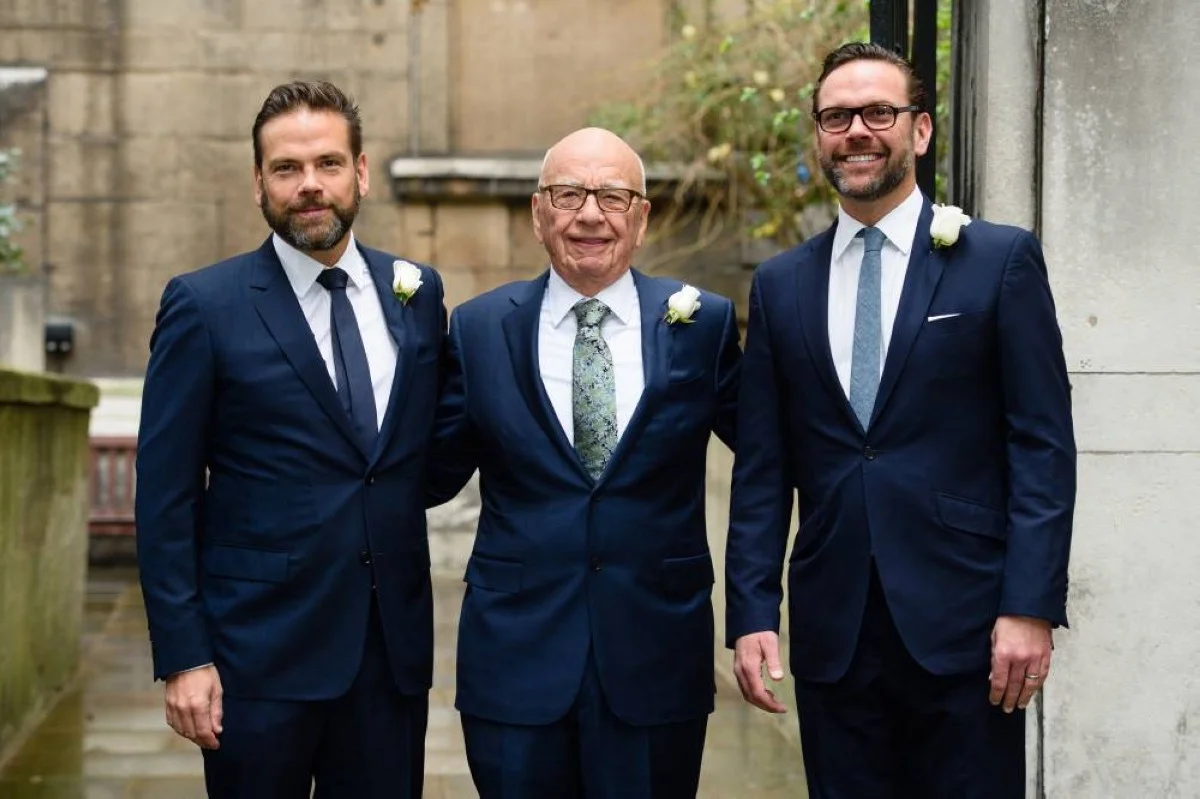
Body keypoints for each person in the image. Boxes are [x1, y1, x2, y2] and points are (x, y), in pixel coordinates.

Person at [725, 42, 1076, 797]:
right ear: (818, 134)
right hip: (834, 631)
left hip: (969, 625)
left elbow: (1042, 444)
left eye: (878, 112)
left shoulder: (998, 260)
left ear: (918, 131)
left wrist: (1029, 605)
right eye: (837, 116)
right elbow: (762, 468)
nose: (857, 130)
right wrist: (752, 611)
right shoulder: (782, 285)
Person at [135, 81, 445, 799]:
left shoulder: (417, 293)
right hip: (255, 660)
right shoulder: (203, 305)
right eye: (287, 168)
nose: (311, 185)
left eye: (329, 163)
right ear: (259, 182)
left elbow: (419, 453)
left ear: (361, 173)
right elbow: (167, 495)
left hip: (387, 656)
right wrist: (184, 656)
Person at [428, 127, 741, 797]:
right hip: (515, 664)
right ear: (539, 213)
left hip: (657, 658)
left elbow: (774, 457)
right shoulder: (478, 328)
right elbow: (423, 471)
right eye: (569, 194)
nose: (591, 214)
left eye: (613, 195)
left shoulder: (704, 324)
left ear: (643, 216)